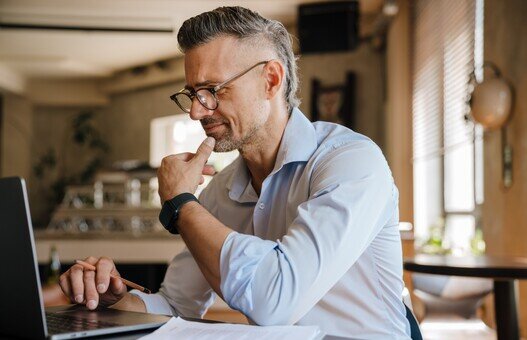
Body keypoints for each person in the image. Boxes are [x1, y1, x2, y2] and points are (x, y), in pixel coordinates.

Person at [59, 6, 411, 338]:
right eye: (192, 94)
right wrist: (115, 300)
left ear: (271, 80)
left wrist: (181, 202)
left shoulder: (352, 163)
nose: (197, 112)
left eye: (212, 90)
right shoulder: (221, 191)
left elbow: (277, 299)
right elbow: (177, 304)